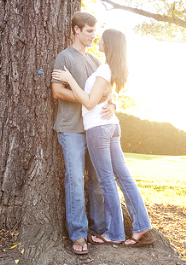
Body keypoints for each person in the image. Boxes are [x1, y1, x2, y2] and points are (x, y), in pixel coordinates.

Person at [53, 28, 155, 247]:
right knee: (123, 177)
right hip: (111, 126)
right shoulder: (109, 68)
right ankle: (141, 225)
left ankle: (115, 233)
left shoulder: (103, 70)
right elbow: (106, 95)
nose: (97, 39)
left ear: (108, 44)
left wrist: (70, 79)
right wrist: (111, 102)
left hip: (99, 129)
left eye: (101, 38)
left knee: (107, 180)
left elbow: (89, 102)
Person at [51, 12, 111, 255]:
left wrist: (110, 103)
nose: (93, 36)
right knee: (75, 179)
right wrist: (87, 99)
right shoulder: (64, 57)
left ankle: (99, 229)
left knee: (97, 180)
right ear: (76, 30)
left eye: (95, 31)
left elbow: (107, 91)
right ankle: (78, 235)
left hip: (94, 129)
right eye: (88, 31)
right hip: (71, 128)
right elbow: (57, 91)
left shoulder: (96, 62)